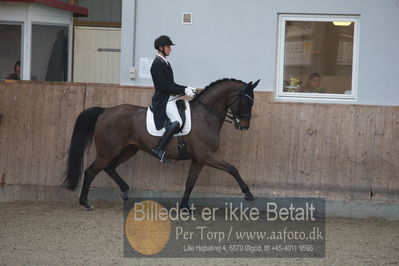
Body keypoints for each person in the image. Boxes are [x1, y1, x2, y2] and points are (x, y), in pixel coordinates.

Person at [150, 35, 196, 162]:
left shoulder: (165, 63)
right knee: (178, 121)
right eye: (168, 47)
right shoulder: (156, 64)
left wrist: (186, 88)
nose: (170, 49)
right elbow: (164, 87)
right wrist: (182, 91)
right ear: (161, 48)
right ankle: (158, 149)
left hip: (170, 97)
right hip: (163, 99)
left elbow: (171, 84)